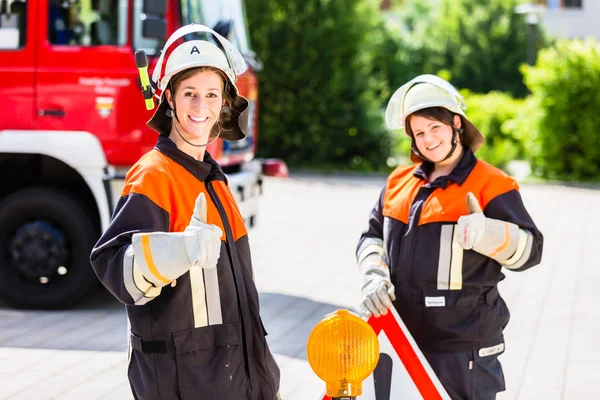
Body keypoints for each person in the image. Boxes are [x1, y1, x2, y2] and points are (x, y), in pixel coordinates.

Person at [90, 24, 280, 400]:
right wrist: (177, 250)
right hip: (188, 385)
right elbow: (114, 268)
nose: (200, 106)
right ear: (169, 99)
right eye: (189, 93)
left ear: (225, 103)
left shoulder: (214, 179)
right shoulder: (154, 174)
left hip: (237, 381)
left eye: (211, 95)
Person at [356, 74, 543, 399]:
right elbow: (371, 237)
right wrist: (374, 277)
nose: (428, 140)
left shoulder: (491, 183)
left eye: (435, 128)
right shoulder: (400, 181)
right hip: (405, 343)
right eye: (419, 132)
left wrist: (489, 234)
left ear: (456, 123)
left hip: (464, 349)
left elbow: (531, 250)